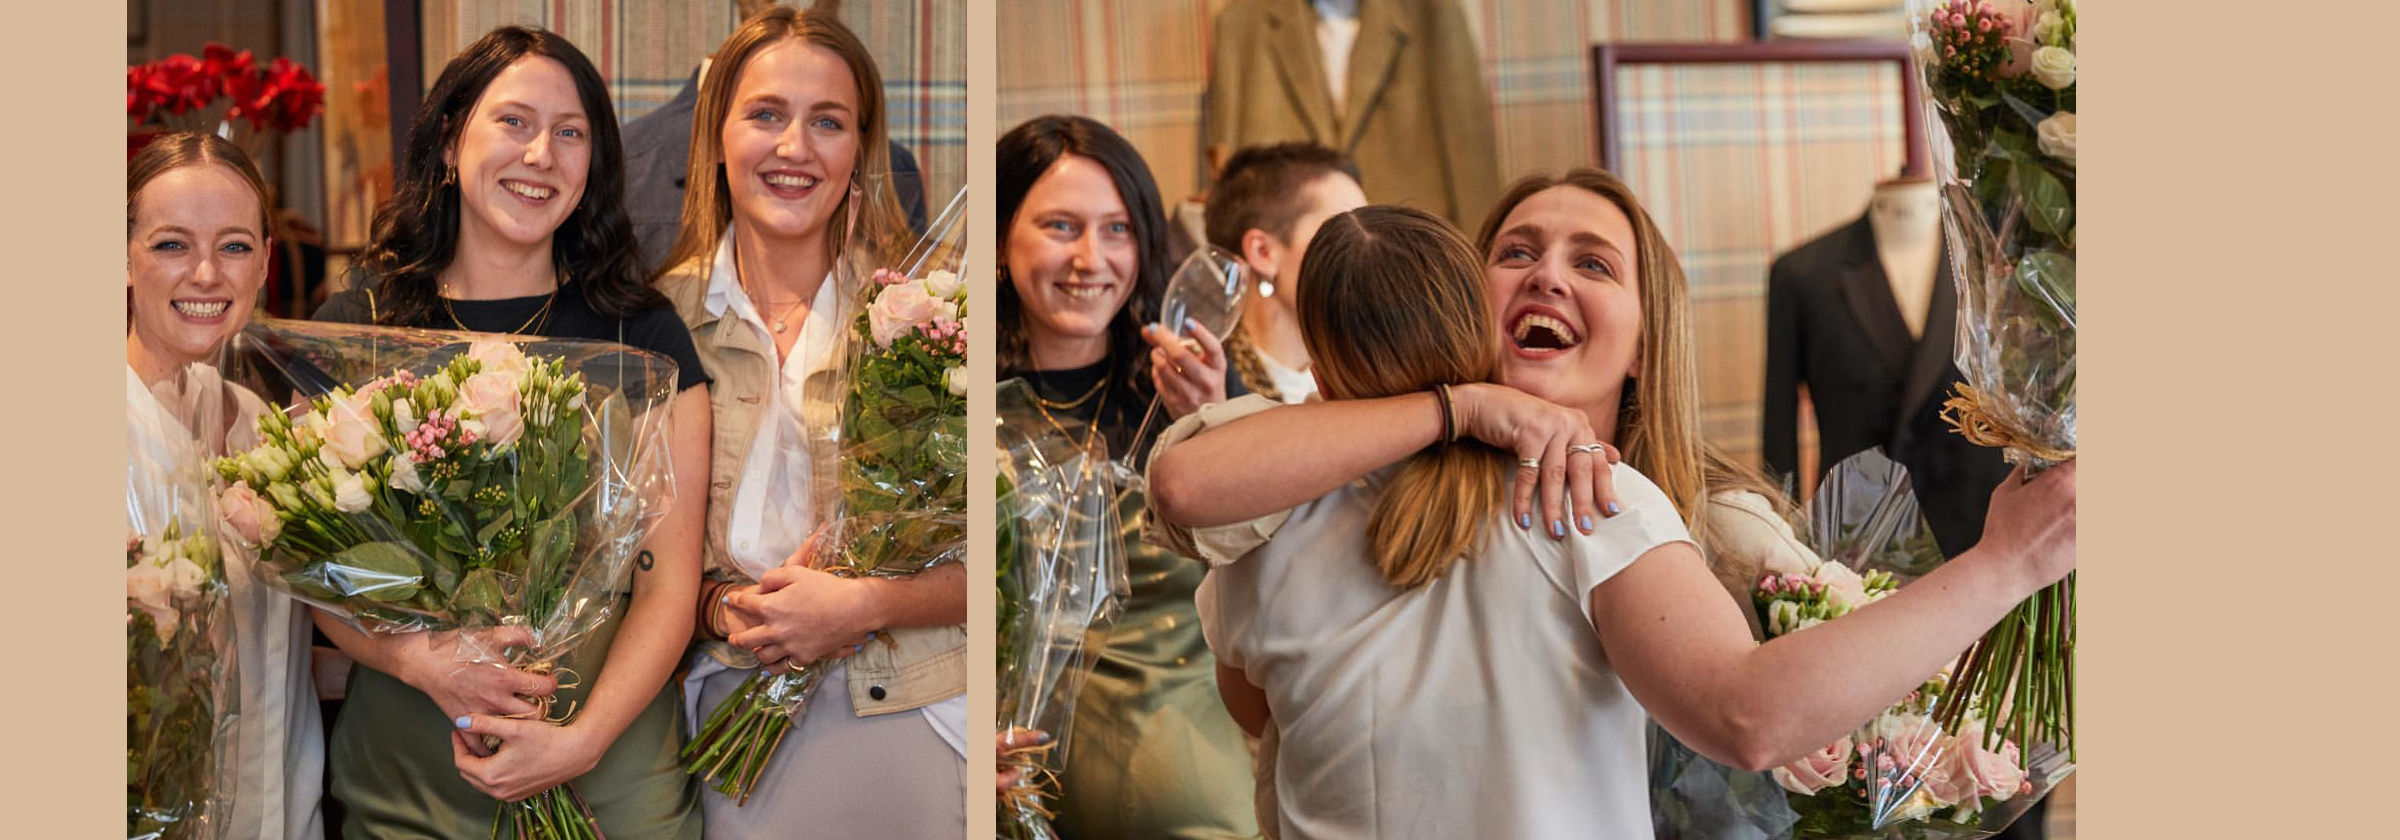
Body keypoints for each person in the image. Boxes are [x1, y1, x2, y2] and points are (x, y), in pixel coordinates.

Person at [1148, 176, 2076, 838]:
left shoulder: (1639, 505)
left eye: (1592, 264)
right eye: (1515, 253)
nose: (1548, 275)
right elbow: (1748, 716)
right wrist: (2007, 564)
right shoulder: (1309, 486)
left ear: (1644, 343)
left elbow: (1251, 697)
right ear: (1462, 300)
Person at [309, 26, 710, 838]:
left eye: (571, 134)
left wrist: (579, 743)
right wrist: (418, 661)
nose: (542, 155)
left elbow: (669, 585)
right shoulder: (359, 328)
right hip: (408, 789)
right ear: (453, 141)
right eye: (515, 123)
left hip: (612, 785)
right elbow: (316, 565)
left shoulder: (644, 338)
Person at [650, 7, 967, 836]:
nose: (794, 148)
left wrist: (861, 604)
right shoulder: (655, 325)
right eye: (765, 115)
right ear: (717, 137)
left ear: (859, 149)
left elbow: (995, 568)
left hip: (915, 707)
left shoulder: (933, 318)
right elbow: (618, 568)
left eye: (827, 121)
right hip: (724, 711)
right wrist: (723, 607)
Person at [996, 113, 1259, 839]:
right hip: (1008, 776)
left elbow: (1272, 581)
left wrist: (1218, 427)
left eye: (1118, 230)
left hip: (1186, 773)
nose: (1092, 258)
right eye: (1060, 227)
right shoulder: (948, 390)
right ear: (998, 240)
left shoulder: (1192, 382)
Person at [126, 130, 325, 840]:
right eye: (172, 244)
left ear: (266, 261)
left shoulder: (268, 431)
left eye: (235, 245)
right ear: (122, 257)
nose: (207, 273)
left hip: (287, 813)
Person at [1202, 142, 1366, 405]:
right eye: (1342, 233)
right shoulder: (1206, 386)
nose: (1368, 248)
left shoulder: (1375, 372)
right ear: (1263, 252)